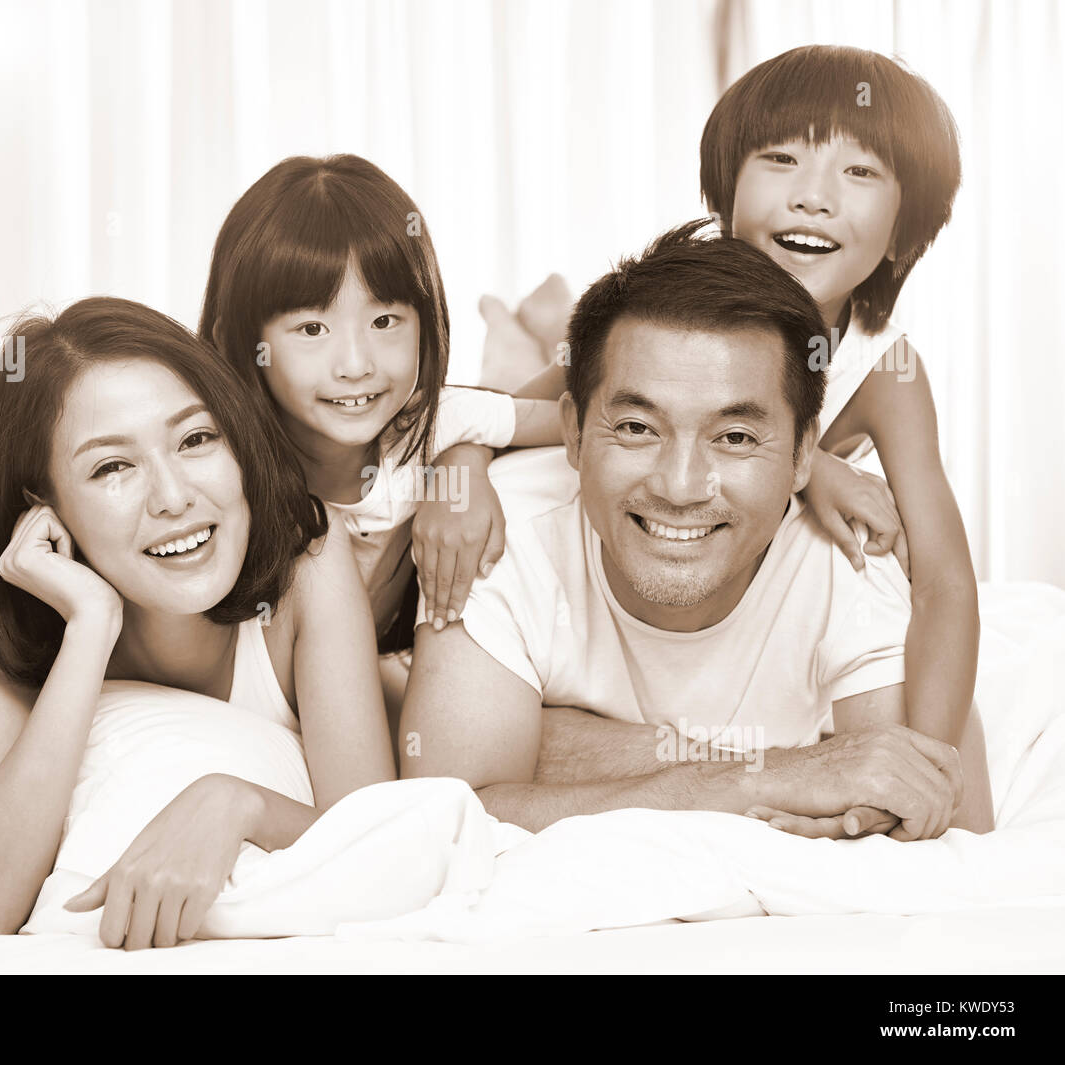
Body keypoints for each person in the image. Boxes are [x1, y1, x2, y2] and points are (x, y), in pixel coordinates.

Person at [0, 155, 564, 745]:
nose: (356, 364)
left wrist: (465, 459)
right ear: (236, 339)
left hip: (379, 642)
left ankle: (527, 332)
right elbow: (95, 533)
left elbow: (579, 406)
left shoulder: (433, 418)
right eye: (312, 327)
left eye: (386, 320)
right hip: (331, 660)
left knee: (513, 389)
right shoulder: (217, 457)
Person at [506, 47, 984, 814]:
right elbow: (510, 413)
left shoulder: (884, 370)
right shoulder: (671, 320)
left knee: (965, 761)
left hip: (761, 550)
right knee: (558, 352)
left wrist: (925, 763)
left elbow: (946, 582)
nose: (813, 198)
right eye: (782, 158)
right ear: (726, 195)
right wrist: (819, 467)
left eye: (859, 173)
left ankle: (531, 316)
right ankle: (534, 318)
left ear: (901, 232)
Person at [401, 221, 992, 839]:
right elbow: (448, 816)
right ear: (572, 432)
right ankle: (523, 330)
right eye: (636, 428)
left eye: (734, 437)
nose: (680, 488)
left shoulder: (853, 559)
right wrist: (766, 775)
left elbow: (931, 816)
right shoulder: (492, 533)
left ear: (802, 456)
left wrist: (559, 748)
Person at [0, 297, 394, 949]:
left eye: (196, 438)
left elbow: (379, 844)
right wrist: (91, 625)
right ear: (46, 506)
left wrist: (238, 802)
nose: (173, 497)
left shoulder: (307, 558)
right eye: (112, 467)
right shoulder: (14, 616)